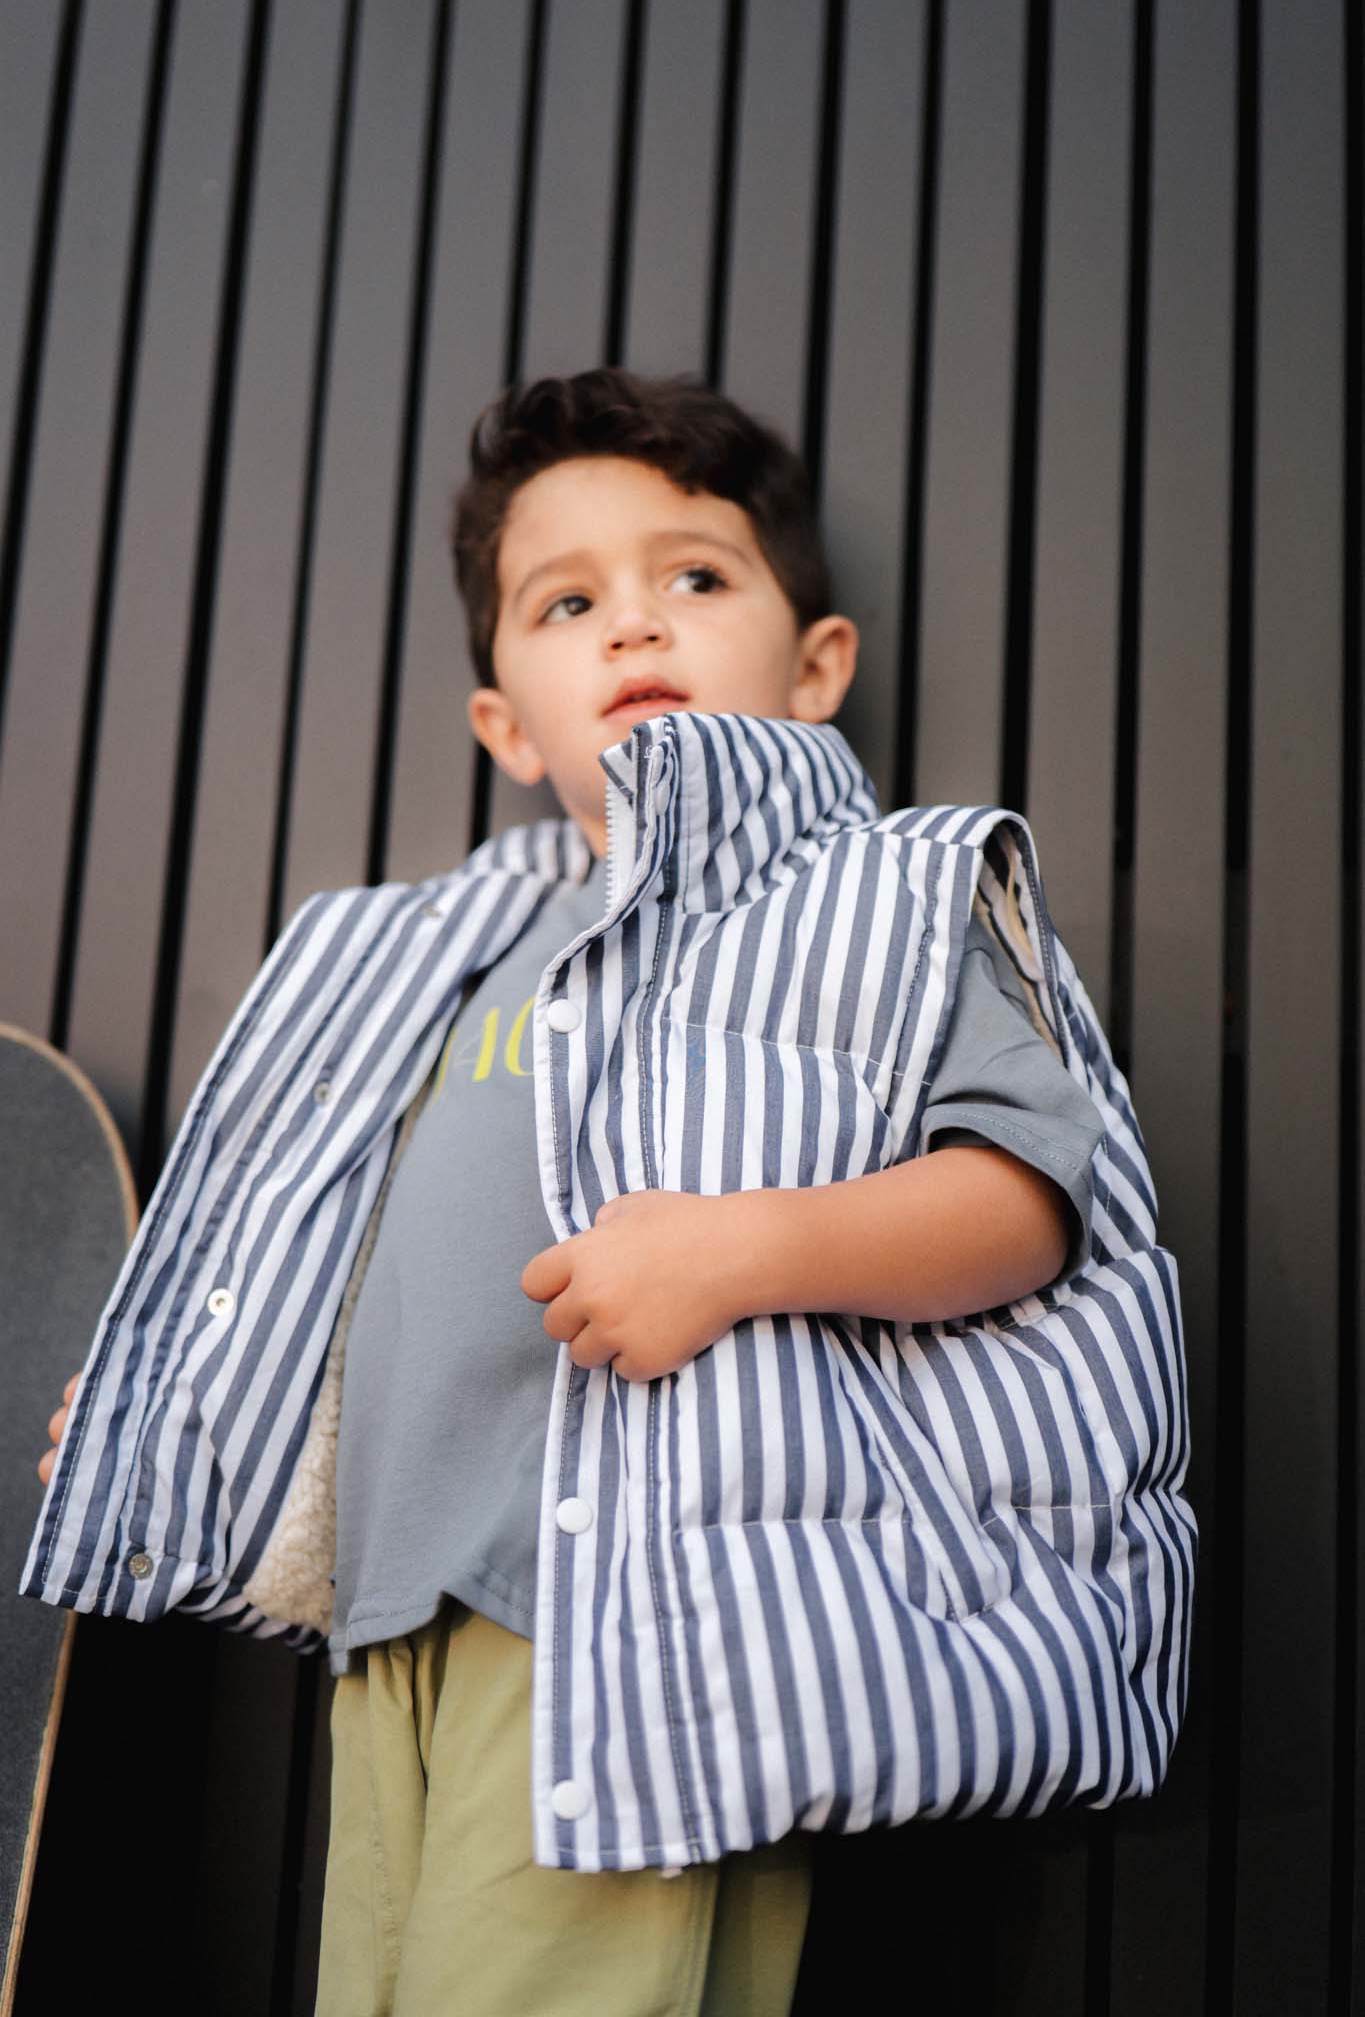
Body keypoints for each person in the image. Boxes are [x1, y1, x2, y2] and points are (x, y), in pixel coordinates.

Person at [29, 369, 1194, 2016]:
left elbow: (1031, 1202)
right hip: (395, 1620)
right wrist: (184, 1408)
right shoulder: (434, 962)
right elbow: (326, 1267)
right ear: (507, 722)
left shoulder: (876, 897)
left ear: (815, 671)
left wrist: (748, 1245)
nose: (633, 628)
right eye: (567, 602)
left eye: (694, 579)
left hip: (649, 1628)